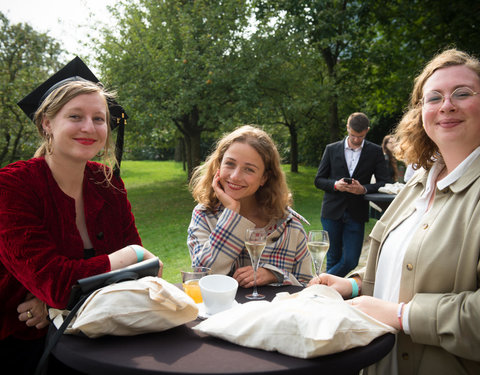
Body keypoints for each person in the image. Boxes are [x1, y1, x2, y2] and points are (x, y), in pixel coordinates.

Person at [309, 48, 480, 374]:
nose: (447, 105)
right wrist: (355, 286)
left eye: (462, 93)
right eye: (434, 98)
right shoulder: (419, 183)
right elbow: (397, 267)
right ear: (421, 113)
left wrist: (403, 315)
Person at [0, 57, 162, 374]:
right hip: (20, 344)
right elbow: (59, 280)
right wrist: (133, 252)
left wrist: (53, 303)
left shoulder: (108, 182)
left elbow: (138, 276)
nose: (89, 128)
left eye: (99, 119)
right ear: (46, 122)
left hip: (98, 335)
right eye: (75, 116)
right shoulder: (12, 186)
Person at [187, 125, 313, 287]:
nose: (235, 176)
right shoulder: (204, 215)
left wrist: (275, 275)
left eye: (249, 169)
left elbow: (308, 287)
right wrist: (231, 214)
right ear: (218, 165)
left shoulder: (289, 226)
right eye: (230, 164)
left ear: (264, 178)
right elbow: (203, 275)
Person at [314, 113, 389, 277]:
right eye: (353, 135)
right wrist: (335, 185)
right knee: (333, 258)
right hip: (331, 211)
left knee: (351, 260)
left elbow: (384, 182)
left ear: (367, 131)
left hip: (357, 212)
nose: (356, 140)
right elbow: (318, 180)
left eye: (360, 136)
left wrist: (363, 189)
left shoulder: (375, 151)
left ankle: (318, 285)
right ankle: (332, 295)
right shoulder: (331, 149)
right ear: (348, 128)